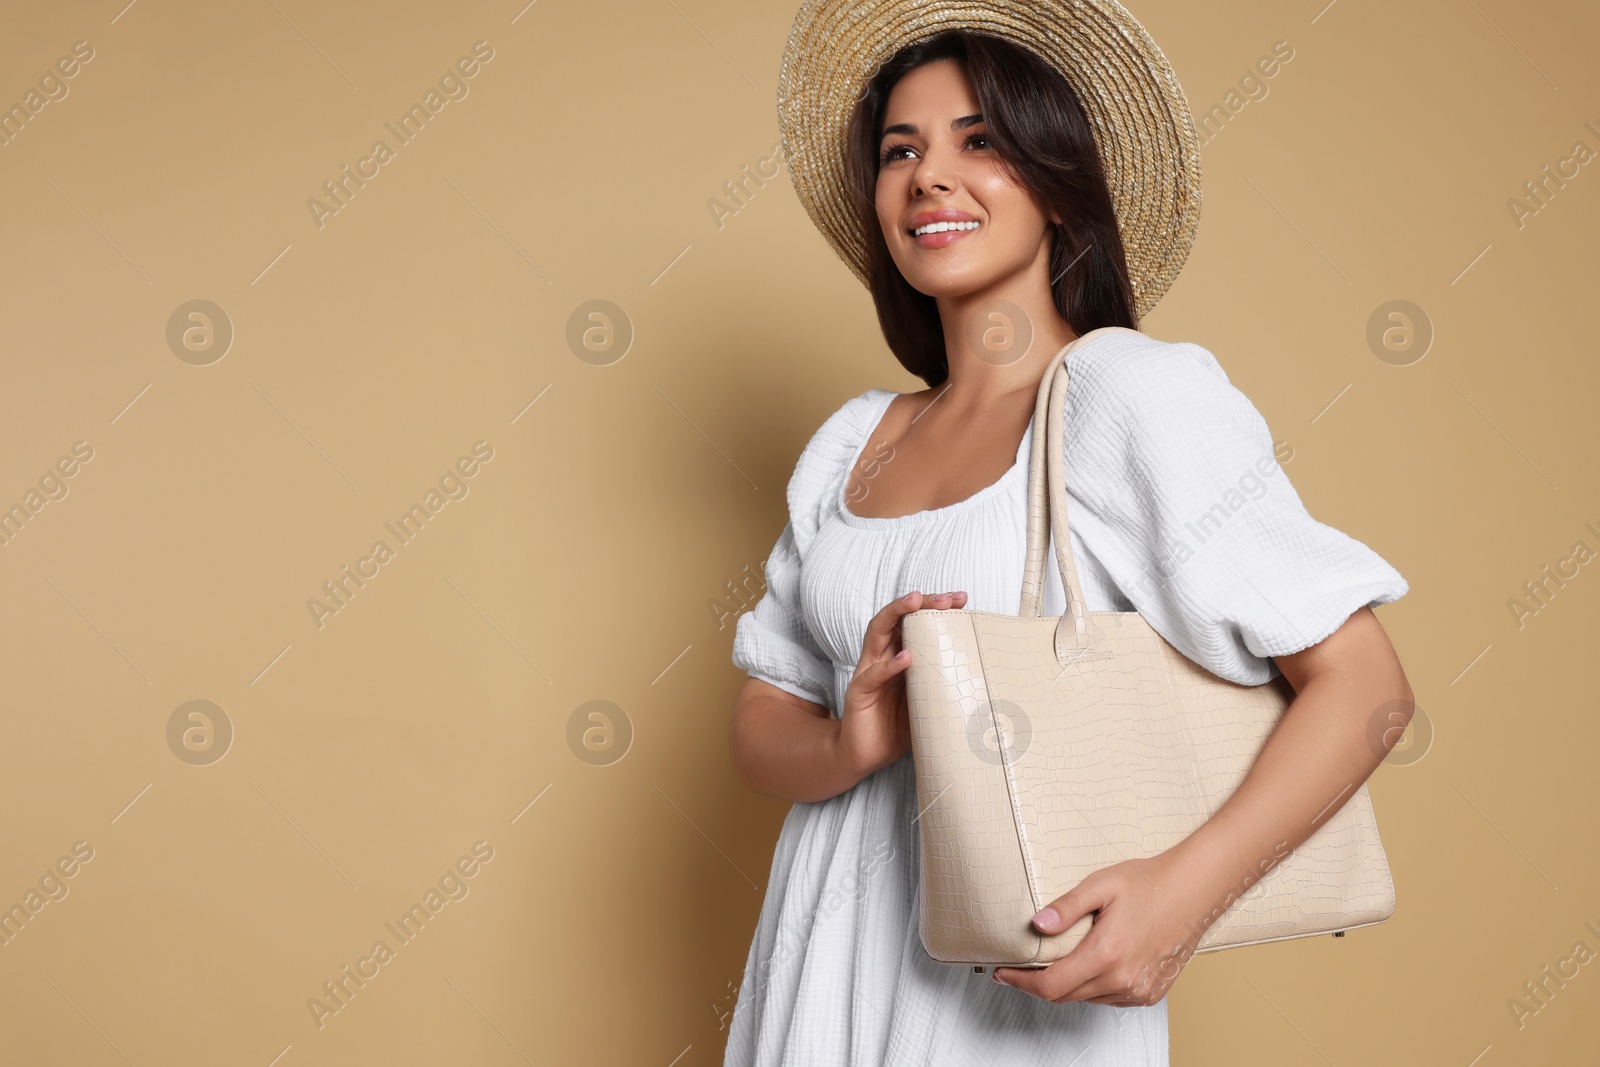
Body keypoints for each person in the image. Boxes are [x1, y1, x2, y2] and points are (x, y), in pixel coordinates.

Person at [724, 5, 1414, 1065]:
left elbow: (1366, 690)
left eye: (980, 141)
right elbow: (762, 717)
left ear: (1056, 180)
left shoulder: (1121, 393)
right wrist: (852, 736)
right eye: (900, 150)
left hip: (1017, 993)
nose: (927, 177)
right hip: (817, 959)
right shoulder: (854, 439)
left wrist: (1178, 900)